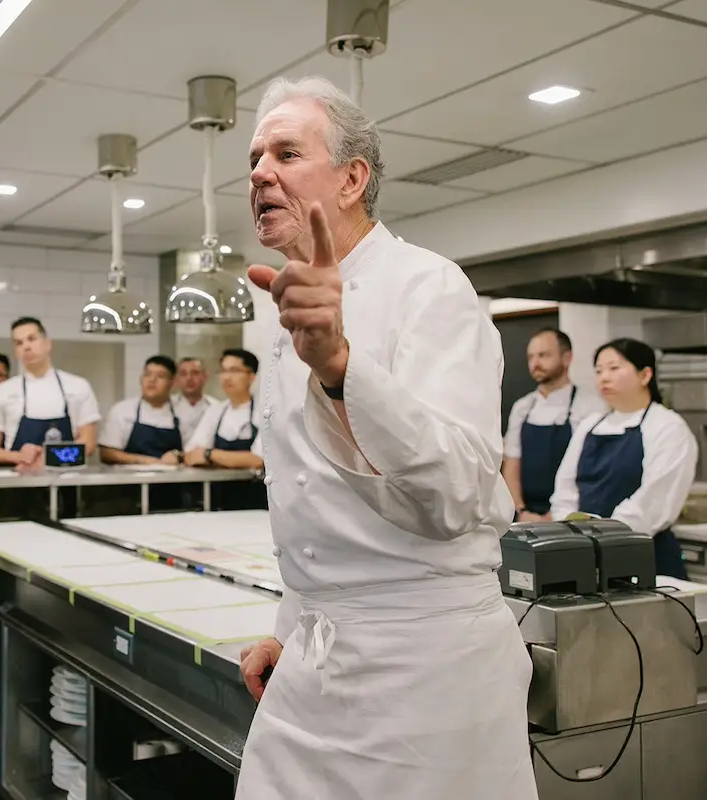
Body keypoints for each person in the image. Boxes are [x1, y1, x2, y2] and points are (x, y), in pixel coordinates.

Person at [234, 77, 536, 799]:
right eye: (252, 158)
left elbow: (459, 493)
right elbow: (314, 506)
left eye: (285, 152)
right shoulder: (290, 304)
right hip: (316, 656)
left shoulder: (429, 288)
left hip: (425, 669)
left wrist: (340, 367)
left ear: (352, 178)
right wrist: (292, 620)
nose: (258, 173)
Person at [550, 338, 697, 579]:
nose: (604, 377)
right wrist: (569, 530)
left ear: (645, 375)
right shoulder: (590, 425)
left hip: (645, 558)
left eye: (614, 368)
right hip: (585, 555)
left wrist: (604, 537)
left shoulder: (668, 427)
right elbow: (565, 489)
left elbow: (655, 500)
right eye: (598, 371)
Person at [503, 328, 604, 522]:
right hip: (525, 517)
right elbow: (512, 464)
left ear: (567, 358)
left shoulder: (590, 406)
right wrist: (519, 511)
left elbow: (591, 470)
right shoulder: (522, 407)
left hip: (570, 516)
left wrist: (557, 514)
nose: (535, 363)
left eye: (544, 355)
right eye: (531, 357)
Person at [0, 317, 100, 466]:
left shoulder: (78, 386)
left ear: (47, 344)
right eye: (19, 343)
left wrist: (50, 459)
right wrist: (19, 457)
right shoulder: (3, 391)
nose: (26, 346)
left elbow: (88, 444)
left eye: (32, 339)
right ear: (16, 351)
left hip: (66, 480)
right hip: (19, 481)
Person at [183, 349, 266, 510]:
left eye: (234, 371)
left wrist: (209, 454)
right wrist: (234, 459)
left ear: (252, 376)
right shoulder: (216, 411)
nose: (227, 377)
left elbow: (258, 460)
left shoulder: (263, 411)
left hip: (255, 500)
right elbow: (192, 454)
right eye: (223, 371)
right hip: (218, 499)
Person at [99, 355, 183, 467]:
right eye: (147, 374)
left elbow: (193, 451)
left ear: (172, 383)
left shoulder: (182, 412)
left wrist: (177, 455)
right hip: (129, 481)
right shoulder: (122, 410)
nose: (152, 380)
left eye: (160, 376)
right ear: (141, 379)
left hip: (172, 481)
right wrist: (143, 460)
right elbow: (107, 453)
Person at [170, 357, 218, 443]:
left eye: (195, 373)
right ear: (177, 379)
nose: (189, 378)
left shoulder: (216, 407)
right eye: (183, 374)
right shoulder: (168, 406)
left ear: (205, 377)